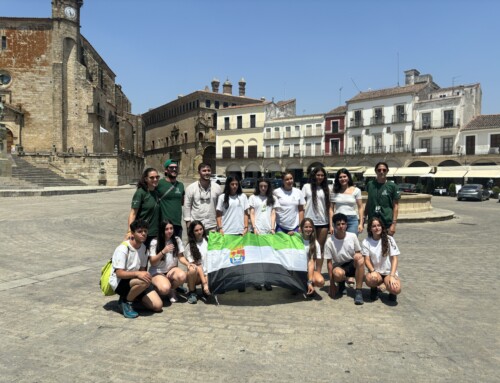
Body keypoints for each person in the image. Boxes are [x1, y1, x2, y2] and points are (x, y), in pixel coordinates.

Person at [109, 219, 163, 318]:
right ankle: (126, 302)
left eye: (145, 231)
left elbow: (142, 270)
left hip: (134, 280)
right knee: (144, 282)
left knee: (158, 306)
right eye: (139, 231)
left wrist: (144, 277)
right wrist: (138, 274)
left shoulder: (143, 249)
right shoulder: (123, 249)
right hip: (120, 282)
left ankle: (134, 296)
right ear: (133, 233)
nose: (143, 234)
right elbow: (119, 273)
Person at [324, 213, 365, 305]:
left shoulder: (352, 236)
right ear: (334, 226)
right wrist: (331, 284)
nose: (341, 226)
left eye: (343, 224)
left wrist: (357, 255)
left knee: (361, 260)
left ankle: (358, 291)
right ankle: (341, 284)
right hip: (339, 265)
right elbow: (329, 263)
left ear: (346, 225)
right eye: (338, 224)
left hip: (351, 263)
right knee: (338, 274)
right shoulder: (330, 241)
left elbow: (358, 252)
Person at [362, 217, 402, 303]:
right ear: (370, 229)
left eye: (379, 225)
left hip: (389, 273)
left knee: (396, 289)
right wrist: (372, 271)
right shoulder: (366, 241)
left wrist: (392, 275)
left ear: (382, 227)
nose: (377, 228)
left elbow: (394, 258)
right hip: (377, 272)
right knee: (370, 279)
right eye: (374, 226)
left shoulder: (389, 239)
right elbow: (367, 259)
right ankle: (374, 289)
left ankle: (391, 292)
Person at [148, 219, 189, 303]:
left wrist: (188, 264)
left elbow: (180, 257)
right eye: (166, 229)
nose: (170, 231)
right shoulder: (155, 242)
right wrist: (163, 252)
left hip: (171, 269)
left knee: (182, 276)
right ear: (162, 230)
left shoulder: (177, 240)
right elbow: (152, 262)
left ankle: (172, 289)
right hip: (157, 271)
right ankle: (159, 289)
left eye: (171, 228)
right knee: (164, 289)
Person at [249, 177, 278, 291]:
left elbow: (273, 213)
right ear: (258, 186)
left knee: (268, 257)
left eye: (265, 186)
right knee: (257, 257)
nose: (263, 188)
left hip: (268, 231)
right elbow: (251, 213)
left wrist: (272, 228)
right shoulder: (253, 197)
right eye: (261, 186)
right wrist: (254, 227)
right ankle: (257, 280)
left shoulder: (272, 198)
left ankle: (267, 280)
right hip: (256, 231)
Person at [302, 166, 332, 273]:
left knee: (320, 248)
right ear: (314, 175)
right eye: (318, 175)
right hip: (309, 222)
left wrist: (331, 224)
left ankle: (318, 272)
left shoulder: (327, 189)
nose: (320, 177)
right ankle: (308, 270)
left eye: (322, 175)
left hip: (323, 222)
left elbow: (330, 207)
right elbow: (301, 205)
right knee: (308, 247)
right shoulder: (306, 187)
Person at [183, 163, 222, 233]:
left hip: (212, 225)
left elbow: (220, 208)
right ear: (199, 172)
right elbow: (187, 207)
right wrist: (188, 225)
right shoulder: (191, 188)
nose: (206, 173)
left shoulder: (217, 188)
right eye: (204, 171)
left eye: (208, 170)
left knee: (212, 244)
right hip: (196, 226)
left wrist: (220, 226)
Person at [127, 167, 160, 248]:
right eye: (152, 177)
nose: (155, 179)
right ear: (146, 179)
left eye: (157, 177)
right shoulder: (140, 193)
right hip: (143, 233)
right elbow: (133, 213)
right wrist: (130, 231)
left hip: (155, 233)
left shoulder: (157, 193)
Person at [365, 162, 400, 236]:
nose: (381, 172)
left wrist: (393, 224)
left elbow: (395, 206)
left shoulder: (392, 186)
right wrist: (363, 218)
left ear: (387, 171)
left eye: (384, 170)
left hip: (386, 222)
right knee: (372, 245)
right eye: (379, 170)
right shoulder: (370, 184)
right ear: (375, 171)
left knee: (386, 246)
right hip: (373, 223)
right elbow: (368, 202)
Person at [331, 168, 364, 236]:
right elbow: (331, 209)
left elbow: (360, 207)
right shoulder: (334, 191)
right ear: (337, 179)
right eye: (340, 177)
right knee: (338, 243)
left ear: (348, 177)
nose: (343, 179)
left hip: (352, 220)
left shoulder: (356, 190)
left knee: (351, 242)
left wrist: (361, 223)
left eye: (344, 176)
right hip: (338, 220)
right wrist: (331, 225)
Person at [184, 220, 210, 304]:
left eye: (201, 229)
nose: (199, 232)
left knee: (209, 293)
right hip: (198, 275)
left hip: (208, 273)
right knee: (191, 269)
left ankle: (204, 289)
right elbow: (198, 266)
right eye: (196, 230)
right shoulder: (189, 247)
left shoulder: (209, 240)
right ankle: (192, 291)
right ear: (192, 232)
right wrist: (205, 283)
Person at [158, 159, 185, 238]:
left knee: (177, 248)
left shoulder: (181, 185)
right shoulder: (159, 184)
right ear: (166, 170)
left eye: (176, 168)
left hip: (177, 224)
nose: (174, 169)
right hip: (164, 224)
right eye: (171, 167)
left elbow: (182, 202)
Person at [300, 218, 325, 296]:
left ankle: (309, 285)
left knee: (321, 281)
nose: (308, 229)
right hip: (296, 269)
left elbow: (311, 263)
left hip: (308, 270)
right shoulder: (296, 238)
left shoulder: (315, 243)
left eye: (310, 227)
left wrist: (310, 282)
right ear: (301, 228)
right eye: (306, 227)